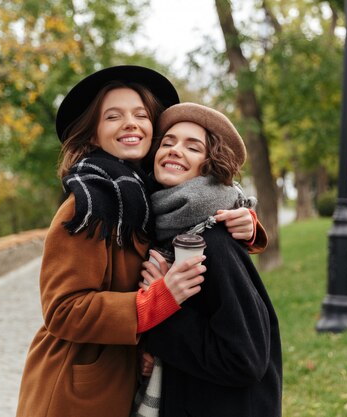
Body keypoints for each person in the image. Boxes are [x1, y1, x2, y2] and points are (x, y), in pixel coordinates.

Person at [15, 66, 266, 417]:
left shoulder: (148, 197)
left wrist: (246, 223)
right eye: (113, 116)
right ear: (93, 135)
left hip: (127, 378)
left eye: (141, 115)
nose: (130, 123)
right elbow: (62, 310)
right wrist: (159, 301)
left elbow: (201, 210)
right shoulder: (88, 205)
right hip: (78, 388)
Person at [136, 102, 283, 417]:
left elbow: (246, 359)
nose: (176, 150)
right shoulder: (160, 228)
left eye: (193, 146)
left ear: (208, 164)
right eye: (168, 142)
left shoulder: (214, 242)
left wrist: (164, 310)